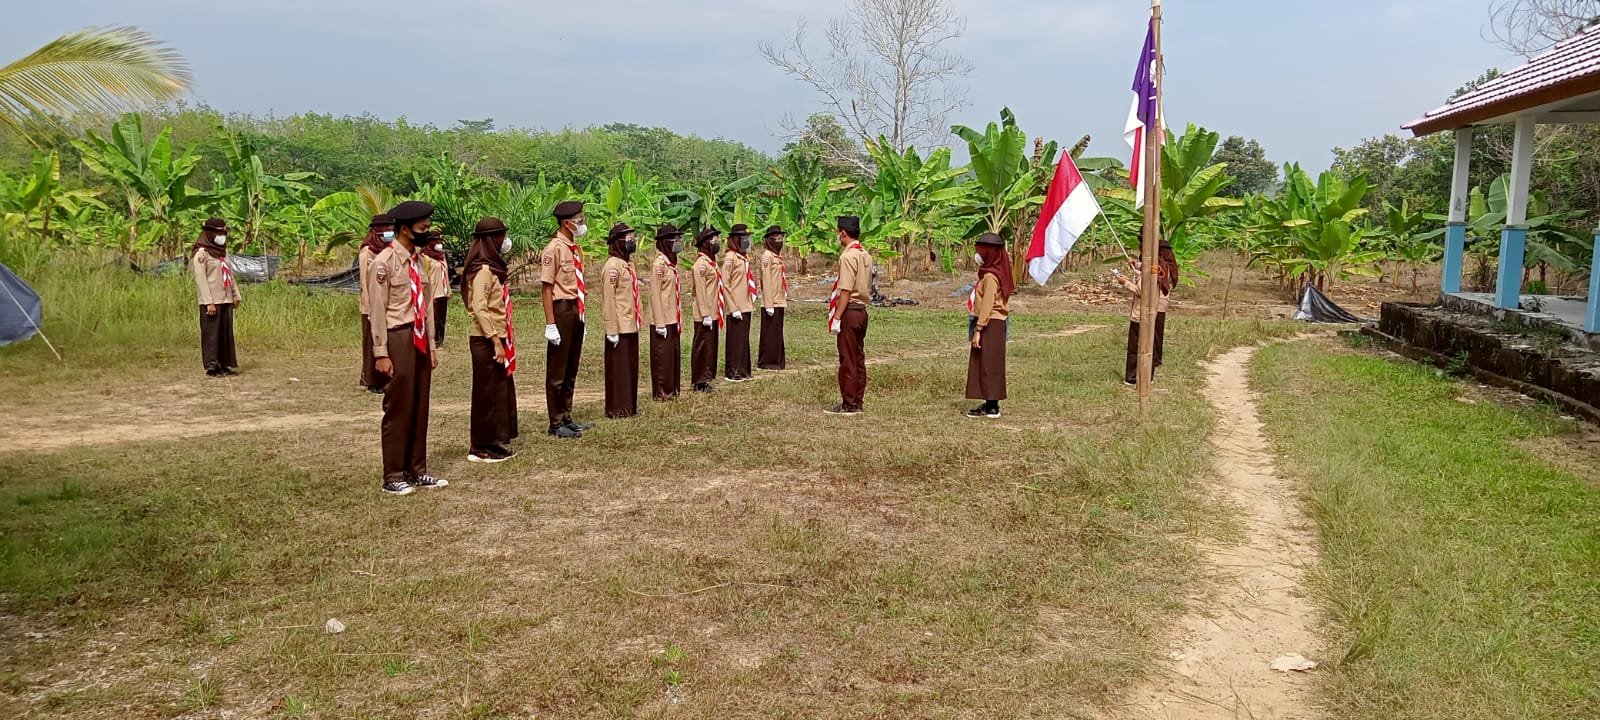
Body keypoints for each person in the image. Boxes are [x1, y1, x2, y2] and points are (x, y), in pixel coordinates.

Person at [368, 200, 447, 495]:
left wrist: (432, 346)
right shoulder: (383, 263)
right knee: (398, 406)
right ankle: (393, 474)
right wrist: (381, 352)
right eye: (422, 229)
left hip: (418, 338)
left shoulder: (418, 262)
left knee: (419, 405)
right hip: (397, 336)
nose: (426, 234)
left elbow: (425, 306)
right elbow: (376, 310)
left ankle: (417, 469)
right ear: (404, 230)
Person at [462, 217, 519, 463]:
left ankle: (493, 441)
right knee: (486, 394)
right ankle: (480, 446)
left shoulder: (492, 268)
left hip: (498, 337)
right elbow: (479, 308)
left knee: (498, 393)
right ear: (490, 240)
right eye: (501, 236)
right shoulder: (483, 272)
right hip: (486, 340)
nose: (505, 241)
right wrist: (495, 341)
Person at [540, 200, 590, 438]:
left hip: (575, 308)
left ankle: (567, 415)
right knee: (558, 369)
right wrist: (551, 323)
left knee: (571, 365)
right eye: (579, 219)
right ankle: (556, 421)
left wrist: (582, 314)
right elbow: (547, 288)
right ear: (567, 222)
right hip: (561, 309)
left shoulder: (574, 247)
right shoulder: (554, 249)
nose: (582, 223)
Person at [825, 216, 872, 415]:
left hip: (850, 311)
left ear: (842, 233)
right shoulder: (865, 254)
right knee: (858, 357)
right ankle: (857, 400)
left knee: (848, 359)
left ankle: (849, 403)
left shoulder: (847, 257)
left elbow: (845, 290)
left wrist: (837, 317)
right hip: (862, 311)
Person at [965, 233, 1014, 418]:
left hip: (990, 323)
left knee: (989, 364)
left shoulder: (991, 277)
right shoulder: (996, 272)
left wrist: (978, 329)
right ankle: (989, 403)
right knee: (988, 363)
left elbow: (987, 304)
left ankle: (992, 406)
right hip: (995, 322)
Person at [1115, 243, 1175, 386]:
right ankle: (1148, 375)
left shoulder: (1153, 270)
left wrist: (1125, 282)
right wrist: (1135, 266)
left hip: (1140, 314)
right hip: (1151, 312)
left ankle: (1132, 377)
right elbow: (1144, 275)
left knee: (1135, 346)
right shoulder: (1157, 268)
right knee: (1150, 344)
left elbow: (1142, 290)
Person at [601, 223, 643, 418]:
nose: (632, 242)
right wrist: (611, 330)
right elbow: (608, 299)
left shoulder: (627, 264)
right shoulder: (612, 267)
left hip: (631, 324)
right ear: (618, 242)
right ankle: (618, 408)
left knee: (630, 368)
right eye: (628, 239)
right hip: (619, 326)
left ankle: (629, 405)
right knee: (619, 370)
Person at [191, 217, 242, 377]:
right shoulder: (201, 255)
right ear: (210, 234)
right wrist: (208, 303)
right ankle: (212, 366)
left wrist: (235, 294)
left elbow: (230, 275)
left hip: (225, 299)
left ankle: (224, 363)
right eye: (219, 233)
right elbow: (201, 281)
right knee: (212, 335)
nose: (222, 237)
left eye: (224, 234)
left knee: (225, 334)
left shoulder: (223, 253)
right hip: (212, 301)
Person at [358, 213, 395, 393]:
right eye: (386, 230)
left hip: (383, 305)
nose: (390, 233)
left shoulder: (387, 251)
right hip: (369, 306)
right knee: (371, 342)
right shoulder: (367, 252)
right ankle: (371, 380)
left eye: (391, 230)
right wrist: (370, 306)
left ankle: (383, 378)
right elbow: (366, 282)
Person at [648, 224, 685, 400]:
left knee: (672, 356)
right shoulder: (659, 265)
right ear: (665, 243)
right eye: (675, 239)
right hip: (662, 318)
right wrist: (660, 323)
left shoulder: (671, 263)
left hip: (673, 317)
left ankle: (672, 389)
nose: (678, 242)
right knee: (662, 358)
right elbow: (655, 294)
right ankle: (662, 391)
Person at [689, 227, 725, 393]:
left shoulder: (711, 262)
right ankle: (699, 381)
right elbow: (701, 291)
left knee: (710, 346)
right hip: (704, 312)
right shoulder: (701, 265)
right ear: (705, 243)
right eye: (713, 240)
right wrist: (705, 314)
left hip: (713, 310)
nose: (717, 242)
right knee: (702, 346)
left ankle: (706, 377)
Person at [721, 224, 756, 382]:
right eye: (743, 238)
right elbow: (725, 283)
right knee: (735, 340)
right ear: (736, 240)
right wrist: (733, 307)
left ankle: (743, 370)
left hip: (746, 304)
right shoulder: (730, 258)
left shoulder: (743, 257)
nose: (746, 241)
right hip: (736, 305)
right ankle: (733, 371)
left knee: (743, 340)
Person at [757, 225, 789, 370]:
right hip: (771, 301)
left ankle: (778, 360)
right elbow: (766, 280)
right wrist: (768, 303)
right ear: (770, 241)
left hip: (779, 299)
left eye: (781, 238)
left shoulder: (776, 257)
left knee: (777, 332)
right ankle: (768, 361)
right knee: (770, 334)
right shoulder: (767, 257)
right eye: (777, 239)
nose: (780, 241)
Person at [420, 230, 451, 347]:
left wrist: (448, 290)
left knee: (442, 318)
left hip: (443, 291)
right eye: (436, 241)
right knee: (433, 318)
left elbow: (445, 274)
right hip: (433, 293)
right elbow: (424, 277)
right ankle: (432, 340)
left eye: (440, 241)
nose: (439, 244)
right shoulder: (425, 257)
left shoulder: (442, 257)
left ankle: (440, 340)